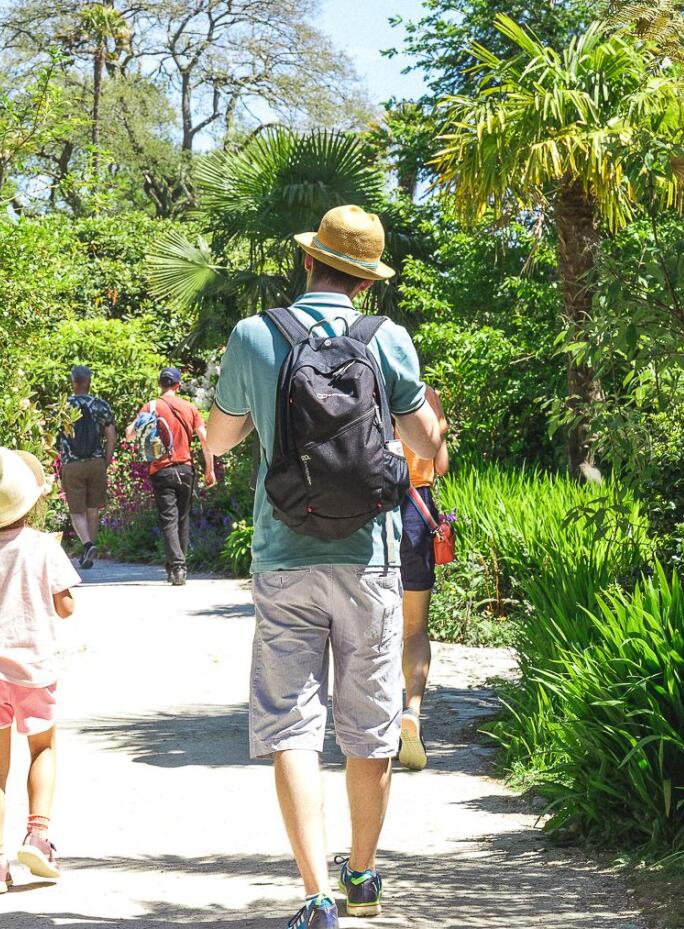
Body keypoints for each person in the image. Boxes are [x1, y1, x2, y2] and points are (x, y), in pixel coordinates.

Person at [206, 204, 445, 929]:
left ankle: (315, 895)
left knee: (291, 725)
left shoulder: (257, 333)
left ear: (308, 261)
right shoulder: (388, 339)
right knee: (370, 726)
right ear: (366, 282)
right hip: (368, 559)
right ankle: (363, 875)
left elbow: (219, 437)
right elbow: (427, 443)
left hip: (284, 557)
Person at [0, 447, 81, 895]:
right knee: (42, 748)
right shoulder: (44, 546)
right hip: (35, 670)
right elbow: (65, 607)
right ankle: (38, 837)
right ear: (30, 502)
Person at [396, 386, 451, 772]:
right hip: (417, 512)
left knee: (370, 628)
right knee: (414, 630)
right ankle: (411, 709)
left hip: (369, 514)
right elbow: (441, 464)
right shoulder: (425, 395)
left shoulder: (361, 385)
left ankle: (372, 722)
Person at [126, 367, 218, 585]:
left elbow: (130, 434)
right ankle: (178, 567)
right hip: (186, 469)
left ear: (160, 384)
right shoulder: (189, 408)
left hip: (161, 469)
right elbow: (205, 440)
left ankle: (176, 567)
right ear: (177, 385)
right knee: (183, 518)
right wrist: (210, 469)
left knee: (169, 519)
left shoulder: (152, 406)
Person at [56, 365, 116, 569]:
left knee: (76, 511)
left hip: (72, 464)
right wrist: (105, 461)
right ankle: (89, 548)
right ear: (89, 382)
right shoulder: (100, 405)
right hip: (96, 463)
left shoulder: (63, 407)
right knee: (92, 508)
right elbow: (111, 436)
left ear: (73, 382)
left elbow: (53, 438)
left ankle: (87, 544)